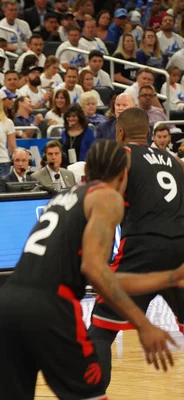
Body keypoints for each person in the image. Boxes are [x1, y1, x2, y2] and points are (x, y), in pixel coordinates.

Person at [0, 139, 183, 400]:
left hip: (7, 303)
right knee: (89, 395)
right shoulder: (107, 197)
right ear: (123, 175)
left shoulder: (64, 196)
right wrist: (144, 325)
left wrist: (170, 278)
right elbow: (95, 270)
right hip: (50, 306)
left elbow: (109, 278)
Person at [88, 108, 184, 391]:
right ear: (151, 133)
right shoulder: (175, 161)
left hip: (142, 250)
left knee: (101, 330)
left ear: (120, 133)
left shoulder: (123, 157)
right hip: (180, 250)